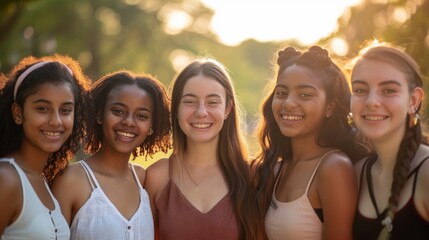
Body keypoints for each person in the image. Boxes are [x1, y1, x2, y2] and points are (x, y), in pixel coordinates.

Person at [252, 46, 370, 240]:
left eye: (305, 95)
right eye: (281, 93)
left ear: (330, 106)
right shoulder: (276, 169)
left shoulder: (333, 167)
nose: (288, 103)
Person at [145, 59, 259, 240]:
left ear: (227, 108)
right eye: (190, 101)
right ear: (176, 109)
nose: (201, 112)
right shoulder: (157, 176)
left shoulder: (253, 175)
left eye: (212, 102)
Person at [51, 71, 171, 240]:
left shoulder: (143, 179)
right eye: (118, 111)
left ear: (151, 126)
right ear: (100, 114)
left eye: (142, 116)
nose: (129, 121)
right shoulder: (71, 180)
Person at [0, 54, 90, 239]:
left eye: (65, 110)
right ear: (18, 113)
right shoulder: (6, 179)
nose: (56, 121)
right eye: (42, 108)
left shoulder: (45, 181)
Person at [350, 43, 429, 239]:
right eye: (360, 90)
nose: (371, 101)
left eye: (388, 91)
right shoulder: (356, 173)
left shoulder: (426, 172)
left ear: (413, 101)